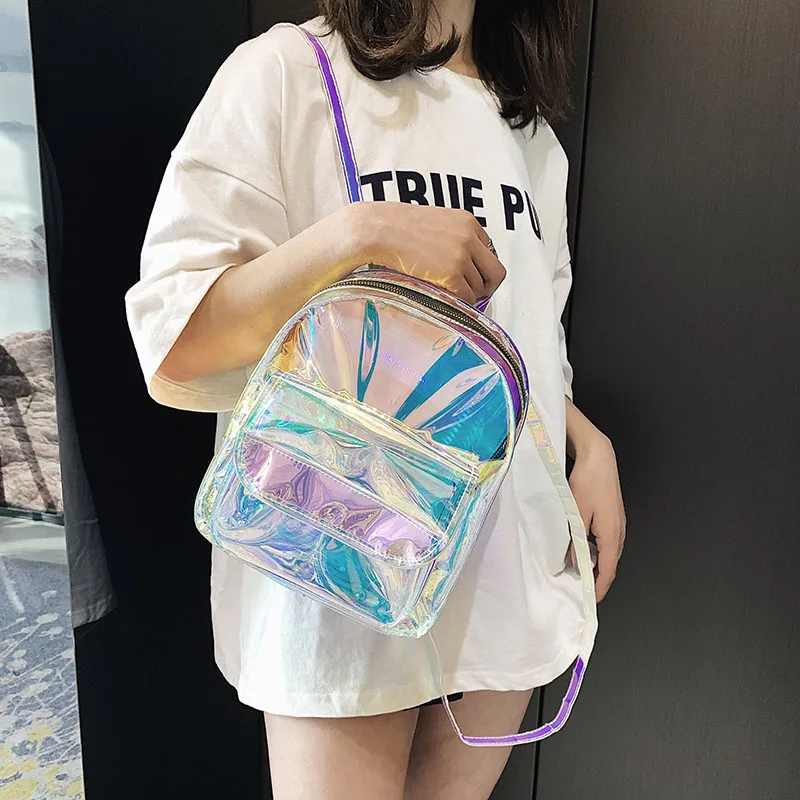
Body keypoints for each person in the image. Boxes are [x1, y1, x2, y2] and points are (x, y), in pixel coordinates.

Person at [125, 1, 626, 797]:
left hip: (505, 567)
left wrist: (587, 443)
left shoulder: (529, 133)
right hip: (341, 561)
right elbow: (175, 341)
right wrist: (358, 235)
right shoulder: (287, 74)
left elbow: (525, 340)